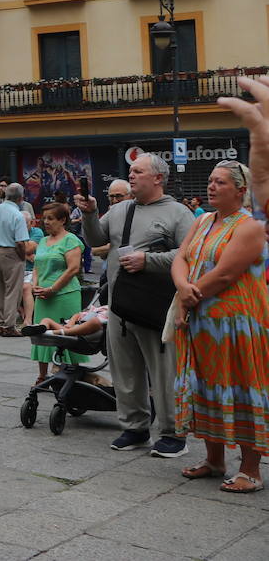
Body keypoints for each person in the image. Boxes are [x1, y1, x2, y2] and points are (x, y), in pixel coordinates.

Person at [76, 152, 194, 456]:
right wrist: (90, 213)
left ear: (157, 178)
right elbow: (95, 239)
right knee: (125, 370)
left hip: (157, 307)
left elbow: (190, 256)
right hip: (121, 305)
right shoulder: (120, 209)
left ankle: (172, 432)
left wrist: (149, 260)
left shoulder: (179, 213)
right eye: (130, 171)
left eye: (138, 171)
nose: (131, 175)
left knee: (164, 372)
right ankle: (135, 428)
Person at [171, 161, 269, 493]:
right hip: (201, 321)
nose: (212, 186)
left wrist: (188, 296)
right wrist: (183, 287)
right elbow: (180, 257)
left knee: (240, 388)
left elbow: (227, 274)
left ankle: (251, 470)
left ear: (241, 190)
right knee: (207, 387)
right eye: (211, 181)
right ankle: (214, 460)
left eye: (221, 182)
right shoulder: (201, 221)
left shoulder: (251, 226)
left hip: (236, 325)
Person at [28, 203, 87, 385]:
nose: (46, 222)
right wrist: (34, 285)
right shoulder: (44, 241)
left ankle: (72, 374)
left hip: (64, 294)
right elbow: (37, 266)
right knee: (42, 334)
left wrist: (53, 289)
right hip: (43, 295)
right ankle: (42, 375)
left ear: (62, 220)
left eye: (50, 218)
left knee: (67, 333)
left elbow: (73, 269)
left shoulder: (71, 240)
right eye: (44, 218)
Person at [0, 183, 32, 337]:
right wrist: (22, 256)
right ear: (21, 198)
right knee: (13, 290)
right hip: (10, 251)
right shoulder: (17, 214)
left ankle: (0, 323)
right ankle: (9, 325)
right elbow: (20, 242)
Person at [89, 179, 131, 272]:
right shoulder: (109, 215)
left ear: (131, 196)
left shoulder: (136, 214)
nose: (115, 200)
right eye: (111, 196)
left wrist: (112, 246)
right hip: (110, 271)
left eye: (119, 196)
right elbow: (95, 250)